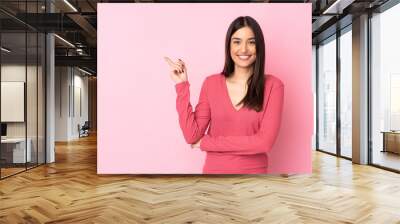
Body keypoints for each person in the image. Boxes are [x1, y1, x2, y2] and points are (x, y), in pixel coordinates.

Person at [164, 16, 284, 174]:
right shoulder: (211, 84)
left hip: (254, 180)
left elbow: (264, 143)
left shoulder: (273, 86)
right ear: (229, 46)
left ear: (259, 47)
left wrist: (208, 143)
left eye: (251, 42)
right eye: (237, 41)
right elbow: (192, 136)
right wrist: (181, 86)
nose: (244, 49)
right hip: (214, 177)